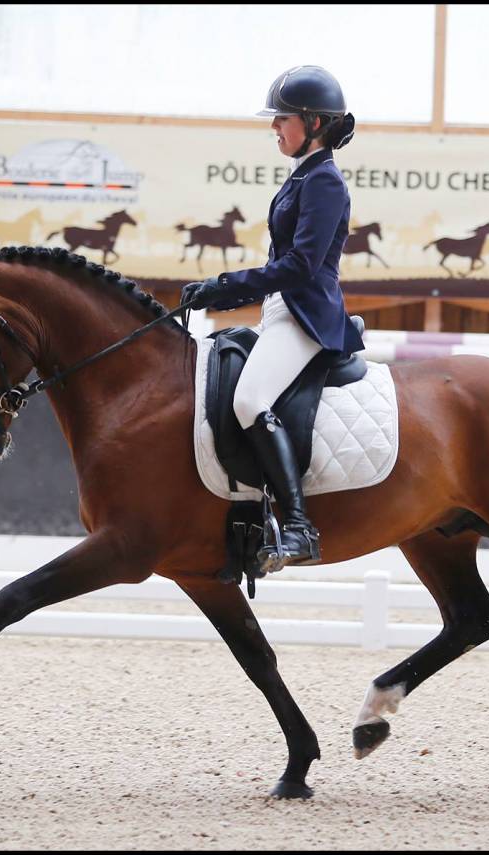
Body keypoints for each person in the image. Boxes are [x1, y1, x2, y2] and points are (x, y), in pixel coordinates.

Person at [182, 65, 364, 574]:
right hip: (283, 310)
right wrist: (222, 292)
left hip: (307, 315)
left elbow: (302, 265)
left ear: (312, 121)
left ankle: (301, 528)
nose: (274, 128)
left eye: (282, 119)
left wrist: (225, 286)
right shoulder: (303, 174)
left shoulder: (324, 180)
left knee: (250, 399)